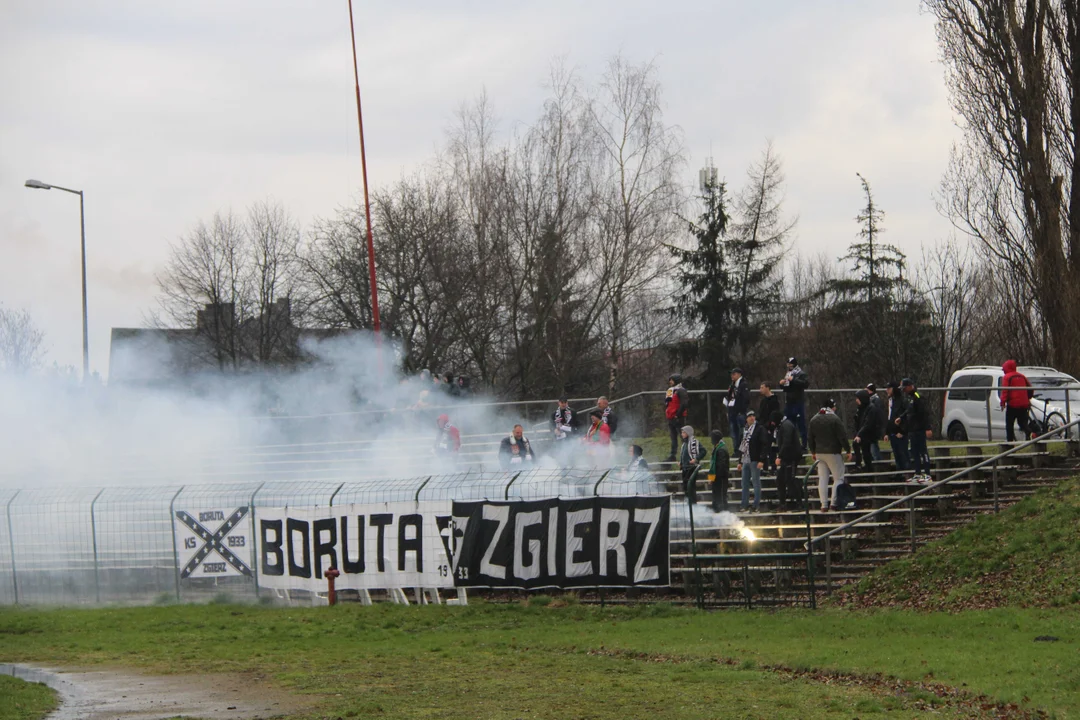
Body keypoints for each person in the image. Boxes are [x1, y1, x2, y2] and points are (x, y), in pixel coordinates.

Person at [808, 399, 852, 512]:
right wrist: (848, 450)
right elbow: (842, 436)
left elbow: (810, 438)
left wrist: (813, 451)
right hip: (833, 452)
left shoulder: (814, 419)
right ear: (831, 407)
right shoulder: (834, 419)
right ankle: (834, 502)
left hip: (819, 453)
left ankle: (823, 504)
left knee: (823, 478)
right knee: (838, 478)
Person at [898, 378, 932, 483]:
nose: (903, 391)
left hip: (920, 429)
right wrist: (902, 417)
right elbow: (909, 411)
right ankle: (917, 473)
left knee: (923, 451)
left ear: (910, 386)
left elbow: (924, 413)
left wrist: (927, 428)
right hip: (912, 429)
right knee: (914, 452)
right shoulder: (910, 398)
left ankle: (927, 474)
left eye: (905, 388)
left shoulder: (918, 397)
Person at [736, 410, 768, 512]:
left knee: (755, 482)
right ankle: (744, 504)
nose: (752, 417)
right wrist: (739, 461)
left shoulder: (759, 429)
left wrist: (762, 459)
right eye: (750, 416)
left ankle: (756, 505)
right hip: (745, 459)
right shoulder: (744, 430)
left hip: (755, 459)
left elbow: (764, 444)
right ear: (746, 418)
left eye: (753, 416)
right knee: (744, 483)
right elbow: (742, 446)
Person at [773, 411, 804, 511]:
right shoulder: (783, 425)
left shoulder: (787, 426)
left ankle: (800, 504)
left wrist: (779, 456)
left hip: (791, 457)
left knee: (790, 480)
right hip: (786, 458)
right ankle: (783, 504)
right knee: (780, 480)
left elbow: (787, 442)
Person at [1000, 359, 1034, 442]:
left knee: (1009, 424)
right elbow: (1030, 388)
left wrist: (1003, 402)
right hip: (1024, 404)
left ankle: (1010, 441)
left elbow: (1005, 391)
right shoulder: (1022, 376)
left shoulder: (1007, 377)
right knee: (1022, 422)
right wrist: (1028, 398)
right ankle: (1028, 432)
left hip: (1013, 404)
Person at [779, 357, 810, 447]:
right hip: (789, 402)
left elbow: (805, 384)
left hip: (798, 402)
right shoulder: (788, 373)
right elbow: (787, 388)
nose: (789, 366)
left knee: (801, 424)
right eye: (788, 364)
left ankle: (804, 444)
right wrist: (781, 384)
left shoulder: (800, 373)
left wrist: (794, 380)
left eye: (790, 364)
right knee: (789, 424)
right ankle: (791, 444)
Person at [852, 389, 884, 474]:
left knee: (867, 452)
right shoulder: (861, 409)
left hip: (869, 434)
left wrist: (859, 434)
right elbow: (859, 422)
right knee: (858, 446)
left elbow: (868, 423)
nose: (856, 401)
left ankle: (868, 469)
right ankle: (860, 465)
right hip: (863, 433)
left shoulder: (871, 408)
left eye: (858, 398)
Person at [883, 381, 910, 471]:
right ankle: (899, 472)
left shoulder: (902, 401)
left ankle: (906, 472)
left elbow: (907, 416)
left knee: (903, 454)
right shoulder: (891, 401)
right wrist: (887, 432)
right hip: (893, 432)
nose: (887, 390)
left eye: (889, 389)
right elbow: (889, 417)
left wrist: (902, 431)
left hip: (900, 433)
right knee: (896, 454)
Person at [724, 367, 751, 453]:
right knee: (733, 432)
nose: (732, 376)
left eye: (734, 374)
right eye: (731, 374)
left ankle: (742, 450)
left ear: (739, 374)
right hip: (732, 412)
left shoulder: (743, 384)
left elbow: (746, 399)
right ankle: (736, 450)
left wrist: (741, 410)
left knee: (741, 432)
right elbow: (729, 396)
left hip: (740, 412)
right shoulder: (732, 384)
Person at [664, 374, 690, 462]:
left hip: (678, 417)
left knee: (683, 436)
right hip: (670, 417)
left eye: (671, 380)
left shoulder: (681, 390)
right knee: (673, 437)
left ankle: (686, 454)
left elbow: (684, 404)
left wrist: (678, 415)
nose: (670, 382)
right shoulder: (670, 390)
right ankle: (672, 455)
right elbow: (668, 403)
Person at [679, 425, 707, 501]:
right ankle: (688, 502)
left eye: (683, 432)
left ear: (688, 433)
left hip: (691, 468)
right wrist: (681, 463)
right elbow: (683, 455)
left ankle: (692, 504)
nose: (682, 434)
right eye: (682, 432)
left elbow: (703, 451)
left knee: (690, 487)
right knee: (685, 487)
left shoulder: (695, 442)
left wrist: (696, 459)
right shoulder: (684, 444)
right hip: (685, 468)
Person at [758, 382, 781, 472]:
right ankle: (765, 467)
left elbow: (775, 414)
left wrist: (771, 424)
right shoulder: (763, 401)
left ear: (768, 388)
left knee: (772, 448)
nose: (761, 389)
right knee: (763, 447)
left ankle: (773, 468)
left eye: (762, 387)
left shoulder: (774, 401)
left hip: (771, 428)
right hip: (763, 426)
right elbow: (761, 414)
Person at [707, 429, 730, 513]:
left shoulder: (721, 449)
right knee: (716, 496)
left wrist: (715, 477)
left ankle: (723, 513)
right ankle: (716, 511)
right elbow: (713, 464)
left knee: (721, 496)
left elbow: (721, 466)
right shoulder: (717, 448)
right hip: (716, 477)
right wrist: (711, 478)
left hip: (721, 478)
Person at [864, 383, 884, 462]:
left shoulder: (875, 400)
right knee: (871, 447)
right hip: (871, 427)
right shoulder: (871, 399)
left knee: (874, 447)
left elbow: (877, 414)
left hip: (874, 427)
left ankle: (879, 463)